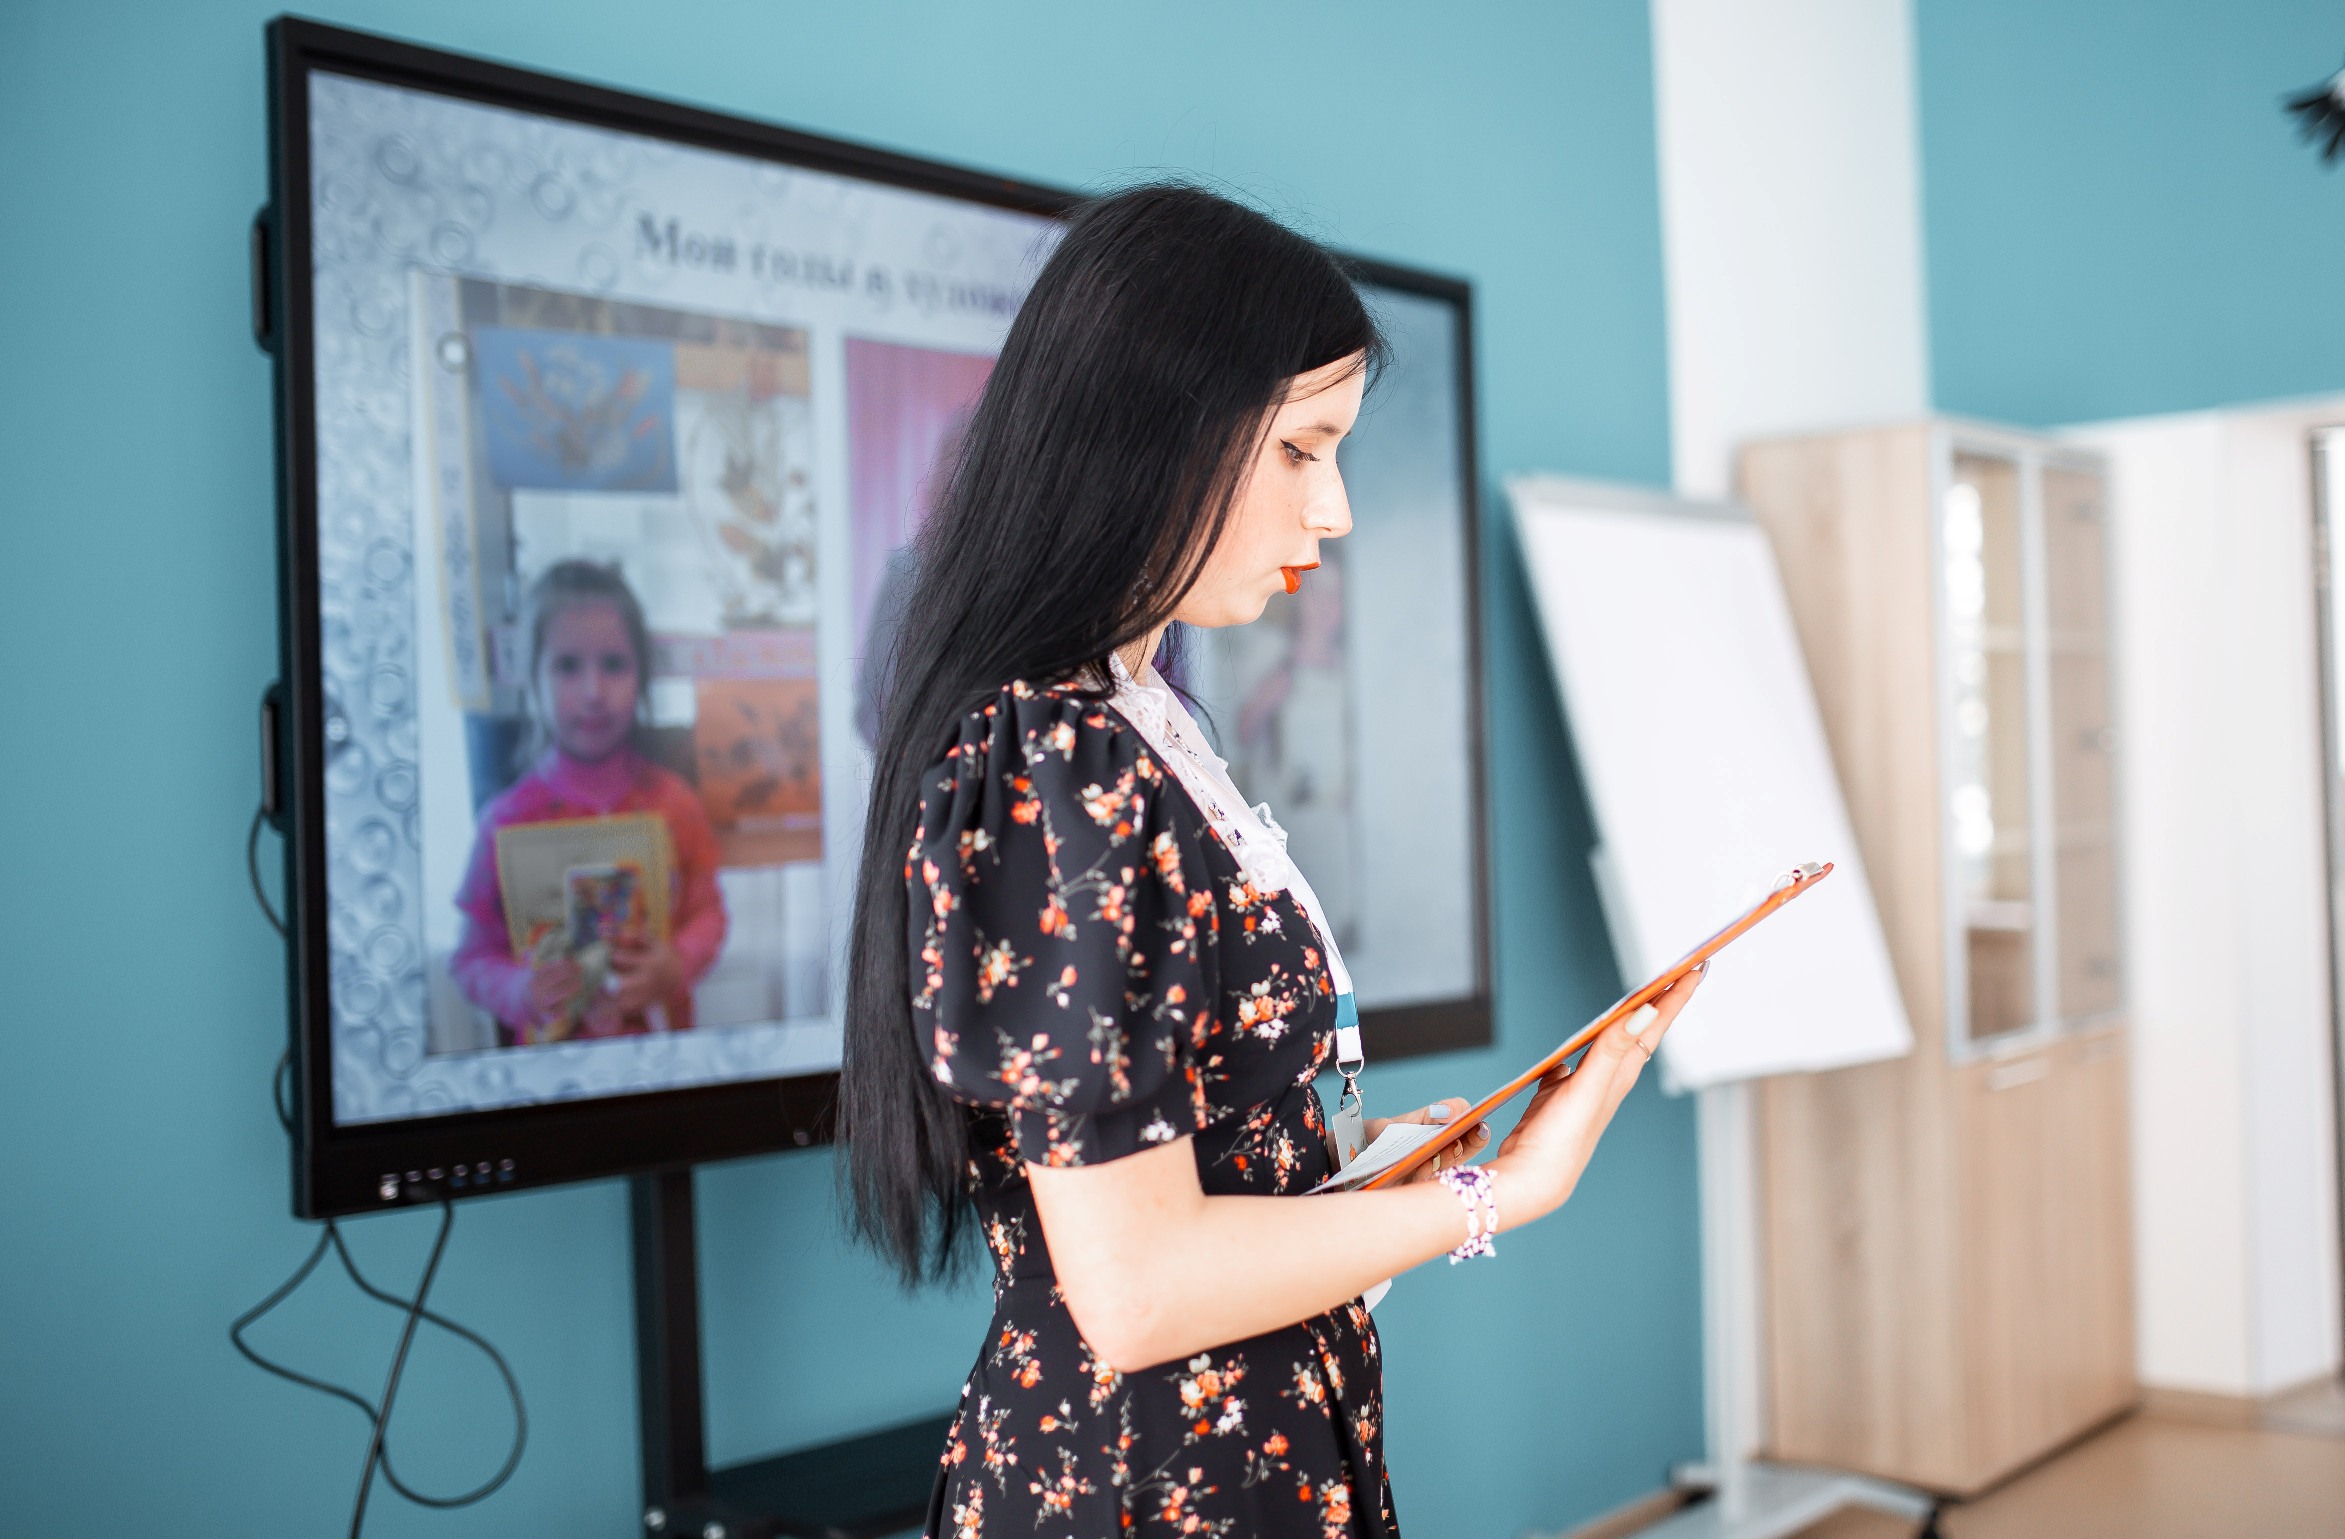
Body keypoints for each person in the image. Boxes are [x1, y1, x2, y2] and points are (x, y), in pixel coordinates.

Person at [841, 185, 1704, 1539]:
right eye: (1302, 449)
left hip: (1242, 1451)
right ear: (1153, 433)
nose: (1337, 507)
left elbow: (1192, 1170)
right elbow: (1137, 1290)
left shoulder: (1138, 714)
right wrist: (1495, 1195)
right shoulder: (1057, 757)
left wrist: (1356, 1169)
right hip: (1145, 1487)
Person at [451, 559, 727, 1045]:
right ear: (533, 678)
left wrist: (676, 963)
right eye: (567, 666)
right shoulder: (506, 821)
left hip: (666, 1062)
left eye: (614, 664)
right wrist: (518, 990)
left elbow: (709, 914)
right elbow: (472, 957)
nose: (594, 692)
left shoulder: (674, 804)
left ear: (641, 676)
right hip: (555, 1073)